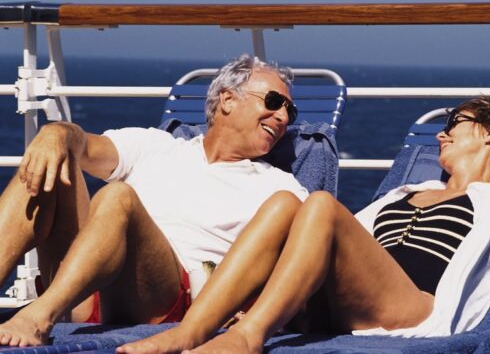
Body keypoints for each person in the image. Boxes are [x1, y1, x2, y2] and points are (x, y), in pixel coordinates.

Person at [118, 76, 490, 354]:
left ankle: (249, 337)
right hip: (340, 304)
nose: (443, 132)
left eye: (456, 121)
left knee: (320, 207)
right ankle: (195, 329)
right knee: (285, 205)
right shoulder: (407, 192)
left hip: (412, 312)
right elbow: (319, 250)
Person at [0, 55, 310, 347]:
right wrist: (58, 133)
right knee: (47, 165)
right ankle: (48, 304)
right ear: (227, 100)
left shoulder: (279, 188)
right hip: (81, 291)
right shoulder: (157, 146)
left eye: (289, 111)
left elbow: (300, 264)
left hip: (161, 300)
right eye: (274, 102)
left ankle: (39, 316)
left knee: (118, 197)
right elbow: (85, 148)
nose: (283, 117)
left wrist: (252, 312)